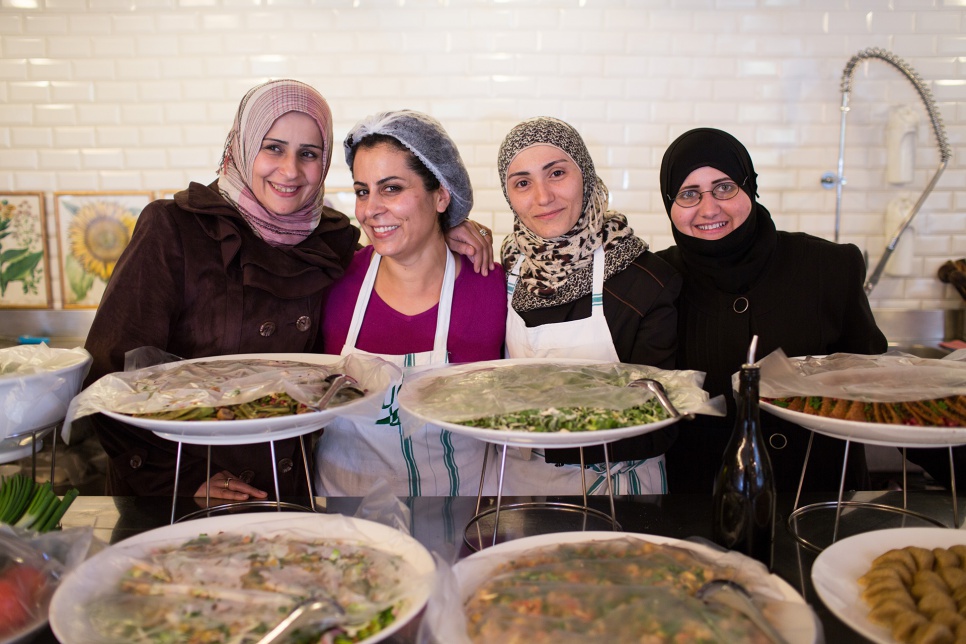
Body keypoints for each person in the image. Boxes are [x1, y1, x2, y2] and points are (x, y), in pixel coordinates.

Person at [81, 81, 494, 501]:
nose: (291, 170)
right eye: (273, 147)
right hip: (183, 491)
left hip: (286, 489)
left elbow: (405, 243)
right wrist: (185, 481)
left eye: (309, 154)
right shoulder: (175, 229)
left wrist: (449, 222)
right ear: (242, 147)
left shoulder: (331, 242)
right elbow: (110, 374)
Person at [655, 127, 888, 494]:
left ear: (750, 186)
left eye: (725, 187)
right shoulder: (656, 280)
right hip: (699, 501)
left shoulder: (828, 266)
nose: (709, 207)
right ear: (670, 204)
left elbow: (879, 384)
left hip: (818, 495)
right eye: (688, 194)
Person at [313, 110, 506, 497]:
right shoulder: (331, 282)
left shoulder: (492, 288)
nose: (370, 210)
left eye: (392, 188)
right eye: (363, 191)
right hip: (349, 528)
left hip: (465, 524)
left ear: (441, 194)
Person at [496, 116, 683, 496]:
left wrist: (533, 432)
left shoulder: (645, 280)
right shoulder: (505, 270)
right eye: (522, 183)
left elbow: (661, 419)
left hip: (620, 494)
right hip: (518, 491)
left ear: (586, 175)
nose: (543, 197)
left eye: (557, 173)